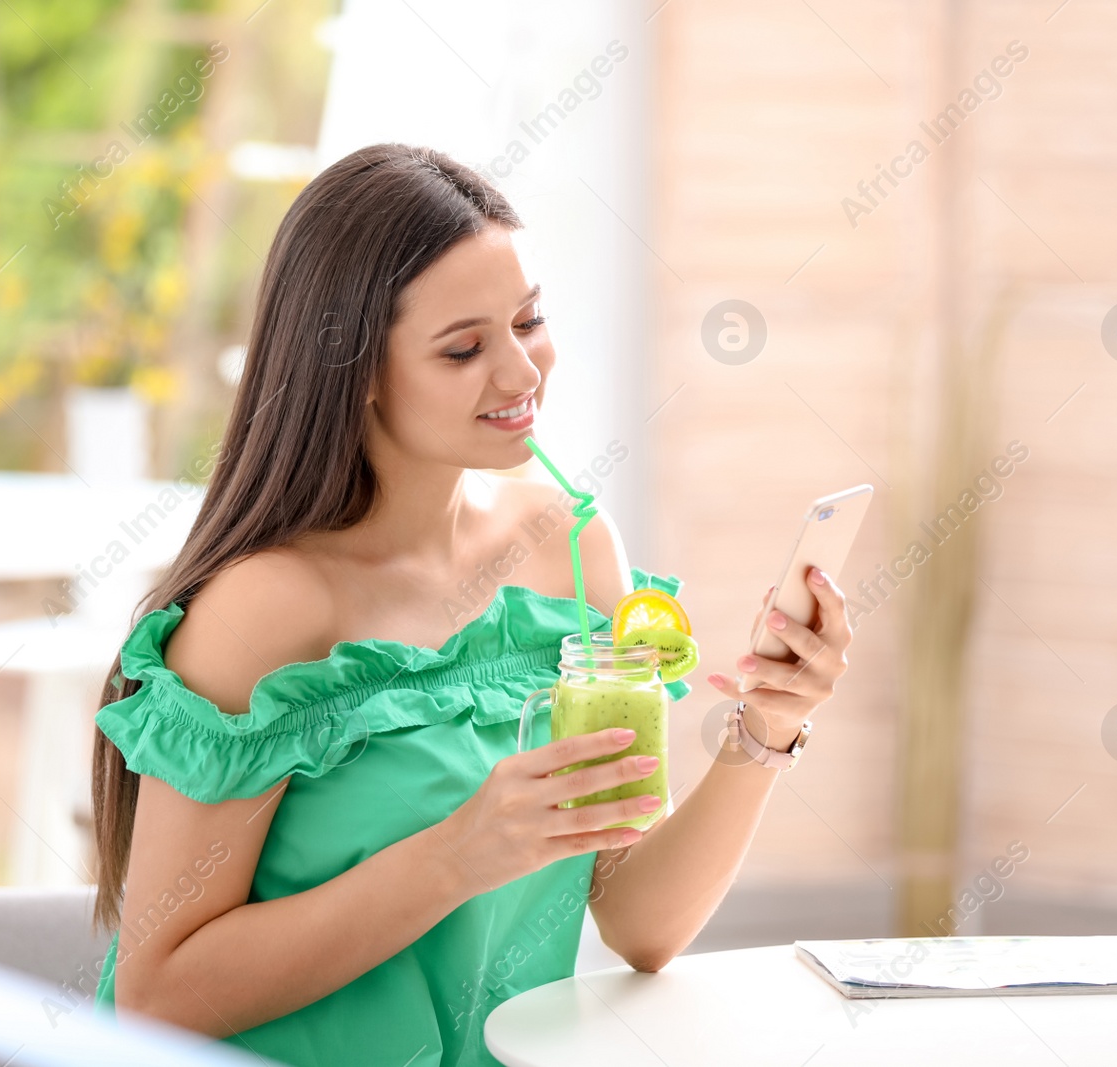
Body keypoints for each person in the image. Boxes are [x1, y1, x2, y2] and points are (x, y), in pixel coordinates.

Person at [88, 142, 852, 1066]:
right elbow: (157, 993)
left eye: (529, 322)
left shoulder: (568, 548)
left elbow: (638, 920)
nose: (524, 374)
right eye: (464, 348)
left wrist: (763, 728)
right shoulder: (270, 608)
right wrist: (459, 853)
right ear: (356, 368)